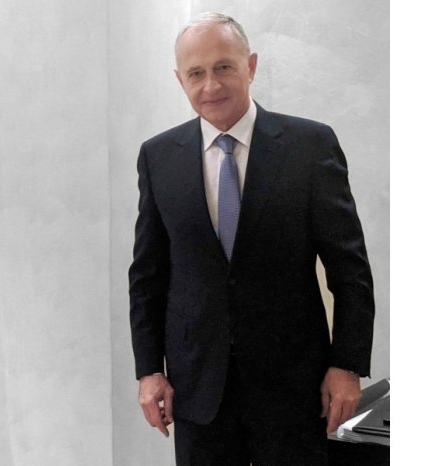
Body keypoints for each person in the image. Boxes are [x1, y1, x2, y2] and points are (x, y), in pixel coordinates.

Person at [128, 13, 374, 465]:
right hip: (197, 387)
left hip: (295, 384)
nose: (211, 85)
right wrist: (148, 371)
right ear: (180, 79)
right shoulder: (158, 156)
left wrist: (347, 365)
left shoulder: (309, 146)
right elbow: (148, 276)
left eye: (223, 67)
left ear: (251, 66)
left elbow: (349, 269)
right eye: (196, 73)